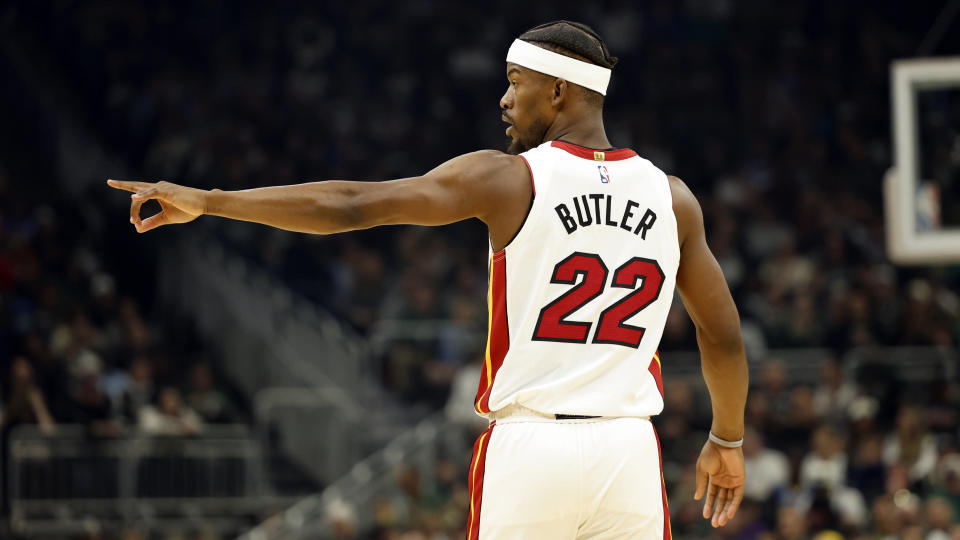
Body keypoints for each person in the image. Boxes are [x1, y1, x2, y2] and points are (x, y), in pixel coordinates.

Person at [108, 20, 748, 539]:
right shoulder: (673, 198)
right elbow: (720, 337)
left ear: (557, 92)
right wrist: (726, 437)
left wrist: (213, 200)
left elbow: (353, 204)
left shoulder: (509, 177)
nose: (503, 99)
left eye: (515, 81)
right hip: (628, 453)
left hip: (531, 447)